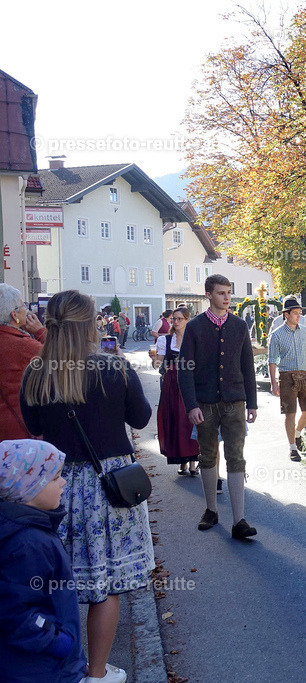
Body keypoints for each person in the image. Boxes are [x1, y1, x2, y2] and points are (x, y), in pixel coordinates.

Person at [20, 289, 154, 683]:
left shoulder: (36, 370)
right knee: (104, 585)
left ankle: (61, 668)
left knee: (57, 584)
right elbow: (142, 418)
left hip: (54, 488)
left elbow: (34, 428)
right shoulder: (114, 367)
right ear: (91, 323)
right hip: (108, 488)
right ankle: (96, 674)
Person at [178, 275, 259, 540]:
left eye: (229, 292)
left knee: (236, 455)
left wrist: (253, 403)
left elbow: (247, 365)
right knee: (207, 455)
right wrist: (191, 405)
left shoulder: (238, 326)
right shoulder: (195, 327)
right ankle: (211, 510)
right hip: (205, 403)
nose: (227, 297)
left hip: (235, 401)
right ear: (208, 295)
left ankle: (239, 520)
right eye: (221, 293)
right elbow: (185, 370)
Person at [0, 439, 87, 683]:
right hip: (41, 668)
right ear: (28, 487)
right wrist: (61, 643)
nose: (63, 482)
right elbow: (16, 613)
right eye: (54, 477)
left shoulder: (32, 528)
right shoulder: (28, 542)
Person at [268, 298, 306, 462]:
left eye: (300, 312)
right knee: (290, 414)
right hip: (287, 377)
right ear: (286, 314)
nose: (299, 315)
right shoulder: (276, 335)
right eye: (295, 313)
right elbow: (272, 360)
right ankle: (292, 448)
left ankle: (298, 432)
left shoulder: (305, 331)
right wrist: (273, 383)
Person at [154, 307, 200, 475]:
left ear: (187, 320)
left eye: (180, 319)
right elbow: (158, 363)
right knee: (176, 421)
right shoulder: (165, 341)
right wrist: (156, 362)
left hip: (190, 384)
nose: (176, 322)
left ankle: (194, 461)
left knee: (190, 421)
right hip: (172, 385)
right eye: (174, 319)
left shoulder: (194, 339)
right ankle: (182, 461)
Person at [0, 284, 46, 440]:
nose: (26, 310)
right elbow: (62, 361)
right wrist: (41, 332)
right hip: (17, 430)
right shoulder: (23, 346)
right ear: (14, 315)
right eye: (23, 306)